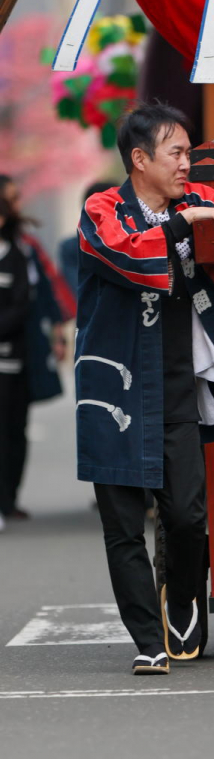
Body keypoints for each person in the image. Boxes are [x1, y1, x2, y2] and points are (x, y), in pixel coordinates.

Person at [77, 102, 214, 674]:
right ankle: (148, 640)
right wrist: (180, 226)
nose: (186, 164)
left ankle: (185, 598)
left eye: (189, 153)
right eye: (177, 153)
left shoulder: (194, 201)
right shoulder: (102, 208)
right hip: (114, 388)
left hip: (173, 386)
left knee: (189, 517)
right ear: (139, 159)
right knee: (122, 527)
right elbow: (126, 253)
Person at [0, 176, 69, 519]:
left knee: (14, 424)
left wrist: (57, 331)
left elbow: (41, 294)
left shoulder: (24, 248)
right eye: (9, 199)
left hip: (19, 346)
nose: (15, 206)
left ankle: (8, 496)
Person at [0, 199, 30, 532]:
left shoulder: (15, 256)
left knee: (9, 432)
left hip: (9, 362)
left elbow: (22, 304)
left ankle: (7, 498)